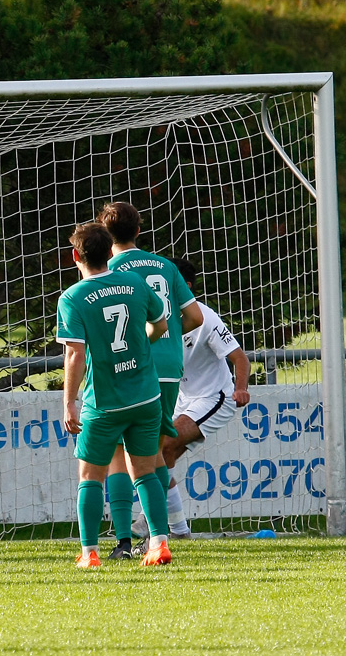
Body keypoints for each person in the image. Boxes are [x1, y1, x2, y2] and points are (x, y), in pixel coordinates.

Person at [56, 222, 172, 568]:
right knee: (146, 473)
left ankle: (90, 553)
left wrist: (69, 402)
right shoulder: (134, 282)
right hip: (146, 396)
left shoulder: (73, 298)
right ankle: (159, 544)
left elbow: (75, 353)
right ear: (110, 253)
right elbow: (161, 324)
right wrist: (140, 348)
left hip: (104, 402)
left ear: (75, 256)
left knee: (91, 476)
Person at [98, 201, 204, 560]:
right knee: (153, 452)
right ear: (139, 230)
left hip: (130, 366)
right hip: (170, 366)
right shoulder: (164, 265)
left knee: (118, 452)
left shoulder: (107, 267)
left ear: (103, 234)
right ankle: (164, 535)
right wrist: (168, 334)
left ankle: (125, 541)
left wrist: (142, 340)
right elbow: (194, 317)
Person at [134, 257, 251, 538]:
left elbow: (240, 359)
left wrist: (241, 388)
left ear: (184, 286)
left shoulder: (205, 317)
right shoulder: (159, 321)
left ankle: (145, 520)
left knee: (162, 447)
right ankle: (179, 531)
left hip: (216, 398)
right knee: (165, 453)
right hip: (184, 400)